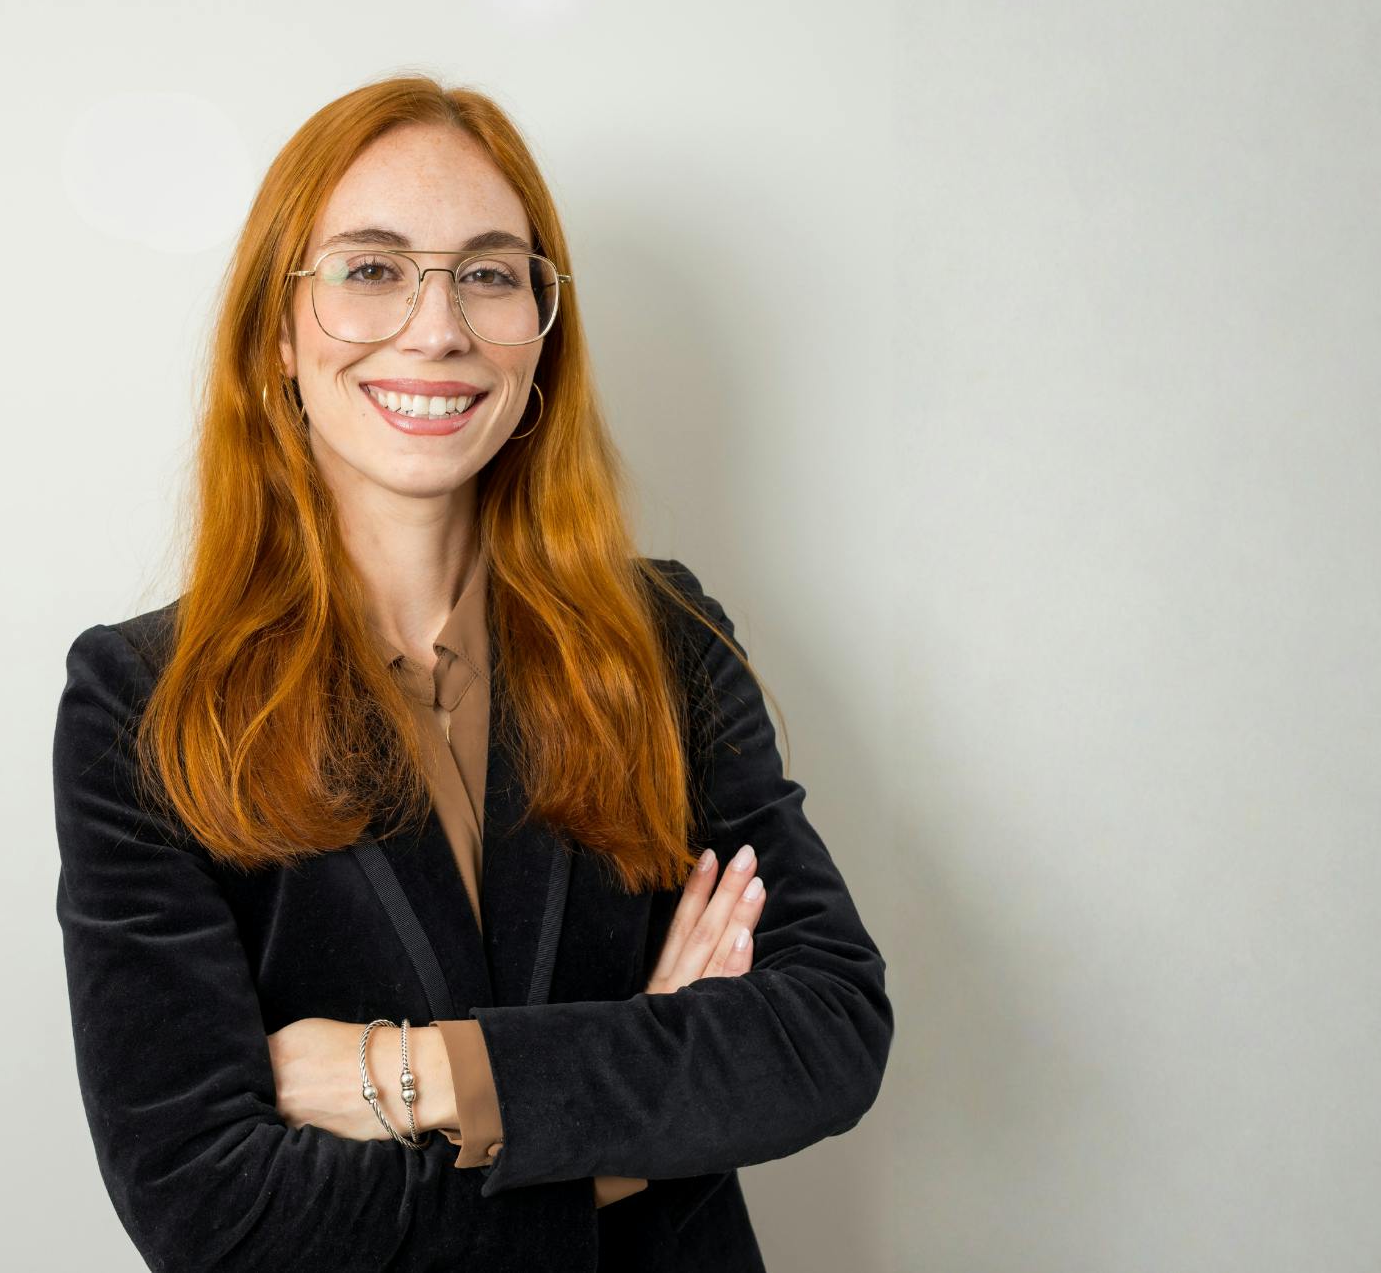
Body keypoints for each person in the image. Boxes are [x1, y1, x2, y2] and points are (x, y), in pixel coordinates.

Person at [50, 71, 893, 1272]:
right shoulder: (141, 700)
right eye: (372, 267)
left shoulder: (663, 641)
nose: (437, 326)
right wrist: (640, 1115)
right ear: (277, 334)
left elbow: (826, 1029)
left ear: (542, 336)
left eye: (490, 274)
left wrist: (418, 1071)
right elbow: (214, 1211)